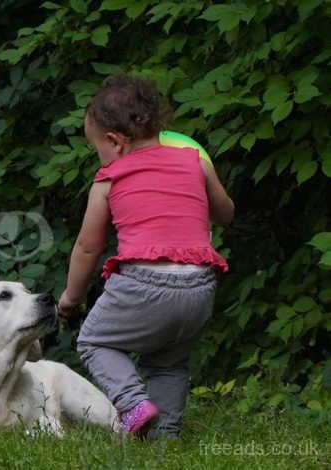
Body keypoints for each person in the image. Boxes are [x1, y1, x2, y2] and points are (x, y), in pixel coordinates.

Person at [58, 73, 234, 440]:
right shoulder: (194, 162)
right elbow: (225, 213)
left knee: (94, 341)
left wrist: (71, 299)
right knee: (169, 362)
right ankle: (163, 438)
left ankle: (132, 401)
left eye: (97, 149)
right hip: (200, 287)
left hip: (144, 283)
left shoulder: (110, 178)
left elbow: (87, 247)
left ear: (115, 141)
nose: (100, 158)